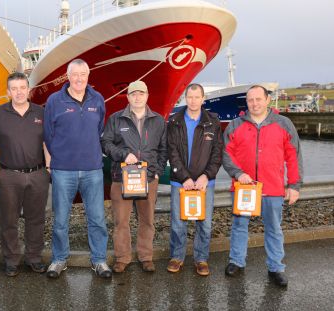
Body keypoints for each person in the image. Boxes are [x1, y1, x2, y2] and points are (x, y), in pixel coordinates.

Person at [222, 85, 303, 287]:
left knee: (274, 228)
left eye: (259, 99)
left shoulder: (284, 124)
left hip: (273, 188)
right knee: (239, 226)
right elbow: (226, 154)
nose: (254, 103)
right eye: (250, 100)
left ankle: (276, 267)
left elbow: (294, 156)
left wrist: (294, 185)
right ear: (246, 102)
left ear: (267, 100)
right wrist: (238, 173)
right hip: (243, 187)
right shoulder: (235, 125)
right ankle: (236, 261)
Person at [43, 59, 112, 278]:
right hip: (63, 170)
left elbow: (99, 128)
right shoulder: (54, 101)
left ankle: (99, 260)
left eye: (83, 74)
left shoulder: (98, 99)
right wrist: (60, 158)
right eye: (75, 74)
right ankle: (59, 259)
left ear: (88, 75)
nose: (79, 78)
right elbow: (47, 134)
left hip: (93, 169)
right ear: (68, 76)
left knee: (97, 219)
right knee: (61, 219)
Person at [101, 80, 167, 273]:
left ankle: (146, 256)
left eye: (141, 94)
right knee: (121, 220)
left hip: (148, 179)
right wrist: (123, 155)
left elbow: (164, 149)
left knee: (147, 220)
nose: (137, 97)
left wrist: (157, 172)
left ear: (147, 96)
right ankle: (123, 257)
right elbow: (105, 143)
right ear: (128, 97)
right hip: (121, 178)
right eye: (133, 94)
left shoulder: (158, 120)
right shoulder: (115, 119)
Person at [0, 72, 50, 277]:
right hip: (8, 175)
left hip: (37, 174)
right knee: (9, 220)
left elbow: (47, 143)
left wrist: (48, 169)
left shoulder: (41, 113)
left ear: (29, 90)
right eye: (14, 89)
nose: (19, 92)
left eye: (22, 88)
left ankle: (34, 258)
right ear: (8, 92)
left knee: (36, 219)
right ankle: (11, 260)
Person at [166, 83, 223, 276]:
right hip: (179, 182)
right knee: (178, 223)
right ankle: (177, 257)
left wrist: (206, 176)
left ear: (203, 99)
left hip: (205, 183)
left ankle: (201, 259)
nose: (193, 101)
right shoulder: (174, 121)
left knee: (204, 223)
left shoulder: (212, 122)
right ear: (185, 98)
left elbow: (217, 153)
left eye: (197, 97)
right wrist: (184, 178)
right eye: (189, 97)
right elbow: (171, 152)